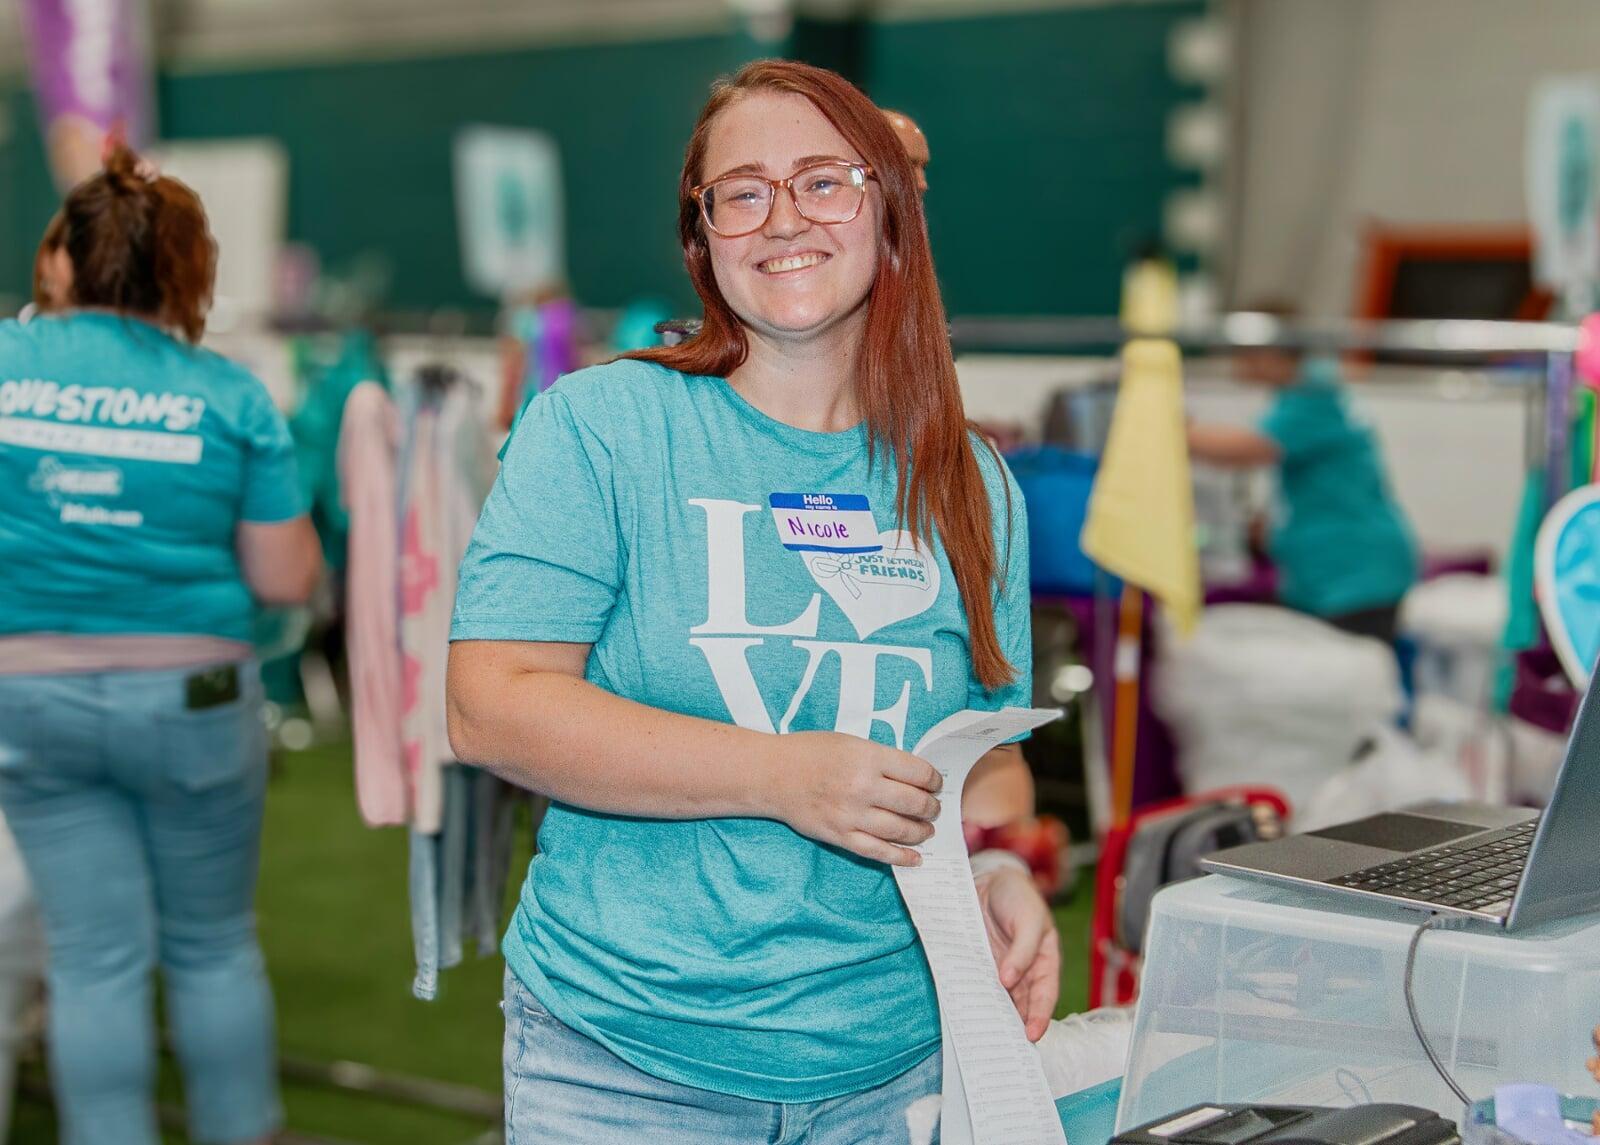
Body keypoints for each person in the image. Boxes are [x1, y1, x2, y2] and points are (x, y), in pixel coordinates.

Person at [448, 59, 1057, 1142]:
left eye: (824, 181)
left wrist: (998, 860)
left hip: (895, 1062)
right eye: (743, 191)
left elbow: (989, 750)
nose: (784, 218)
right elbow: (492, 702)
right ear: (703, 233)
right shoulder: (604, 426)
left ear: (889, 216)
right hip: (627, 1060)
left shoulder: (971, 481)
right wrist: (783, 775)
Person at [0, 147, 321, 1145]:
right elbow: (285, 580)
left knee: (93, 957)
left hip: (28, 702)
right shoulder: (227, 394)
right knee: (212, 945)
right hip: (193, 701)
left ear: (63, 258)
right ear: (189, 272)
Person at [1186, 320, 1418, 643]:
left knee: (1343, 682)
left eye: (1244, 354)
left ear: (1270, 354)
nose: (1238, 364)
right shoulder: (1307, 391)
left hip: (1353, 574)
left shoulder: (1314, 393)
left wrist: (1171, 429)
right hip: (1334, 571)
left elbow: (1246, 448)